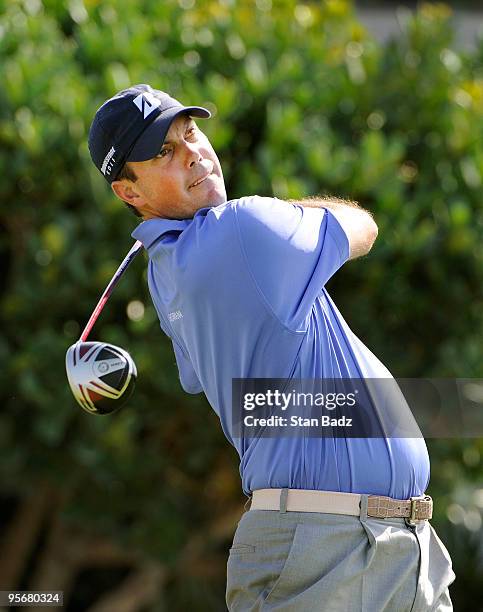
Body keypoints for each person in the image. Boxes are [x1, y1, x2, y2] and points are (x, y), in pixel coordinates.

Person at [88, 84, 456, 611]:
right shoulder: (242, 229)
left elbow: (213, 384)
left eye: (190, 132)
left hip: (399, 545)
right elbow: (364, 227)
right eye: (163, 152)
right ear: (130, 193)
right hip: (324, 548)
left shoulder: (165, 275)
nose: (193, 153)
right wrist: (284, 215)